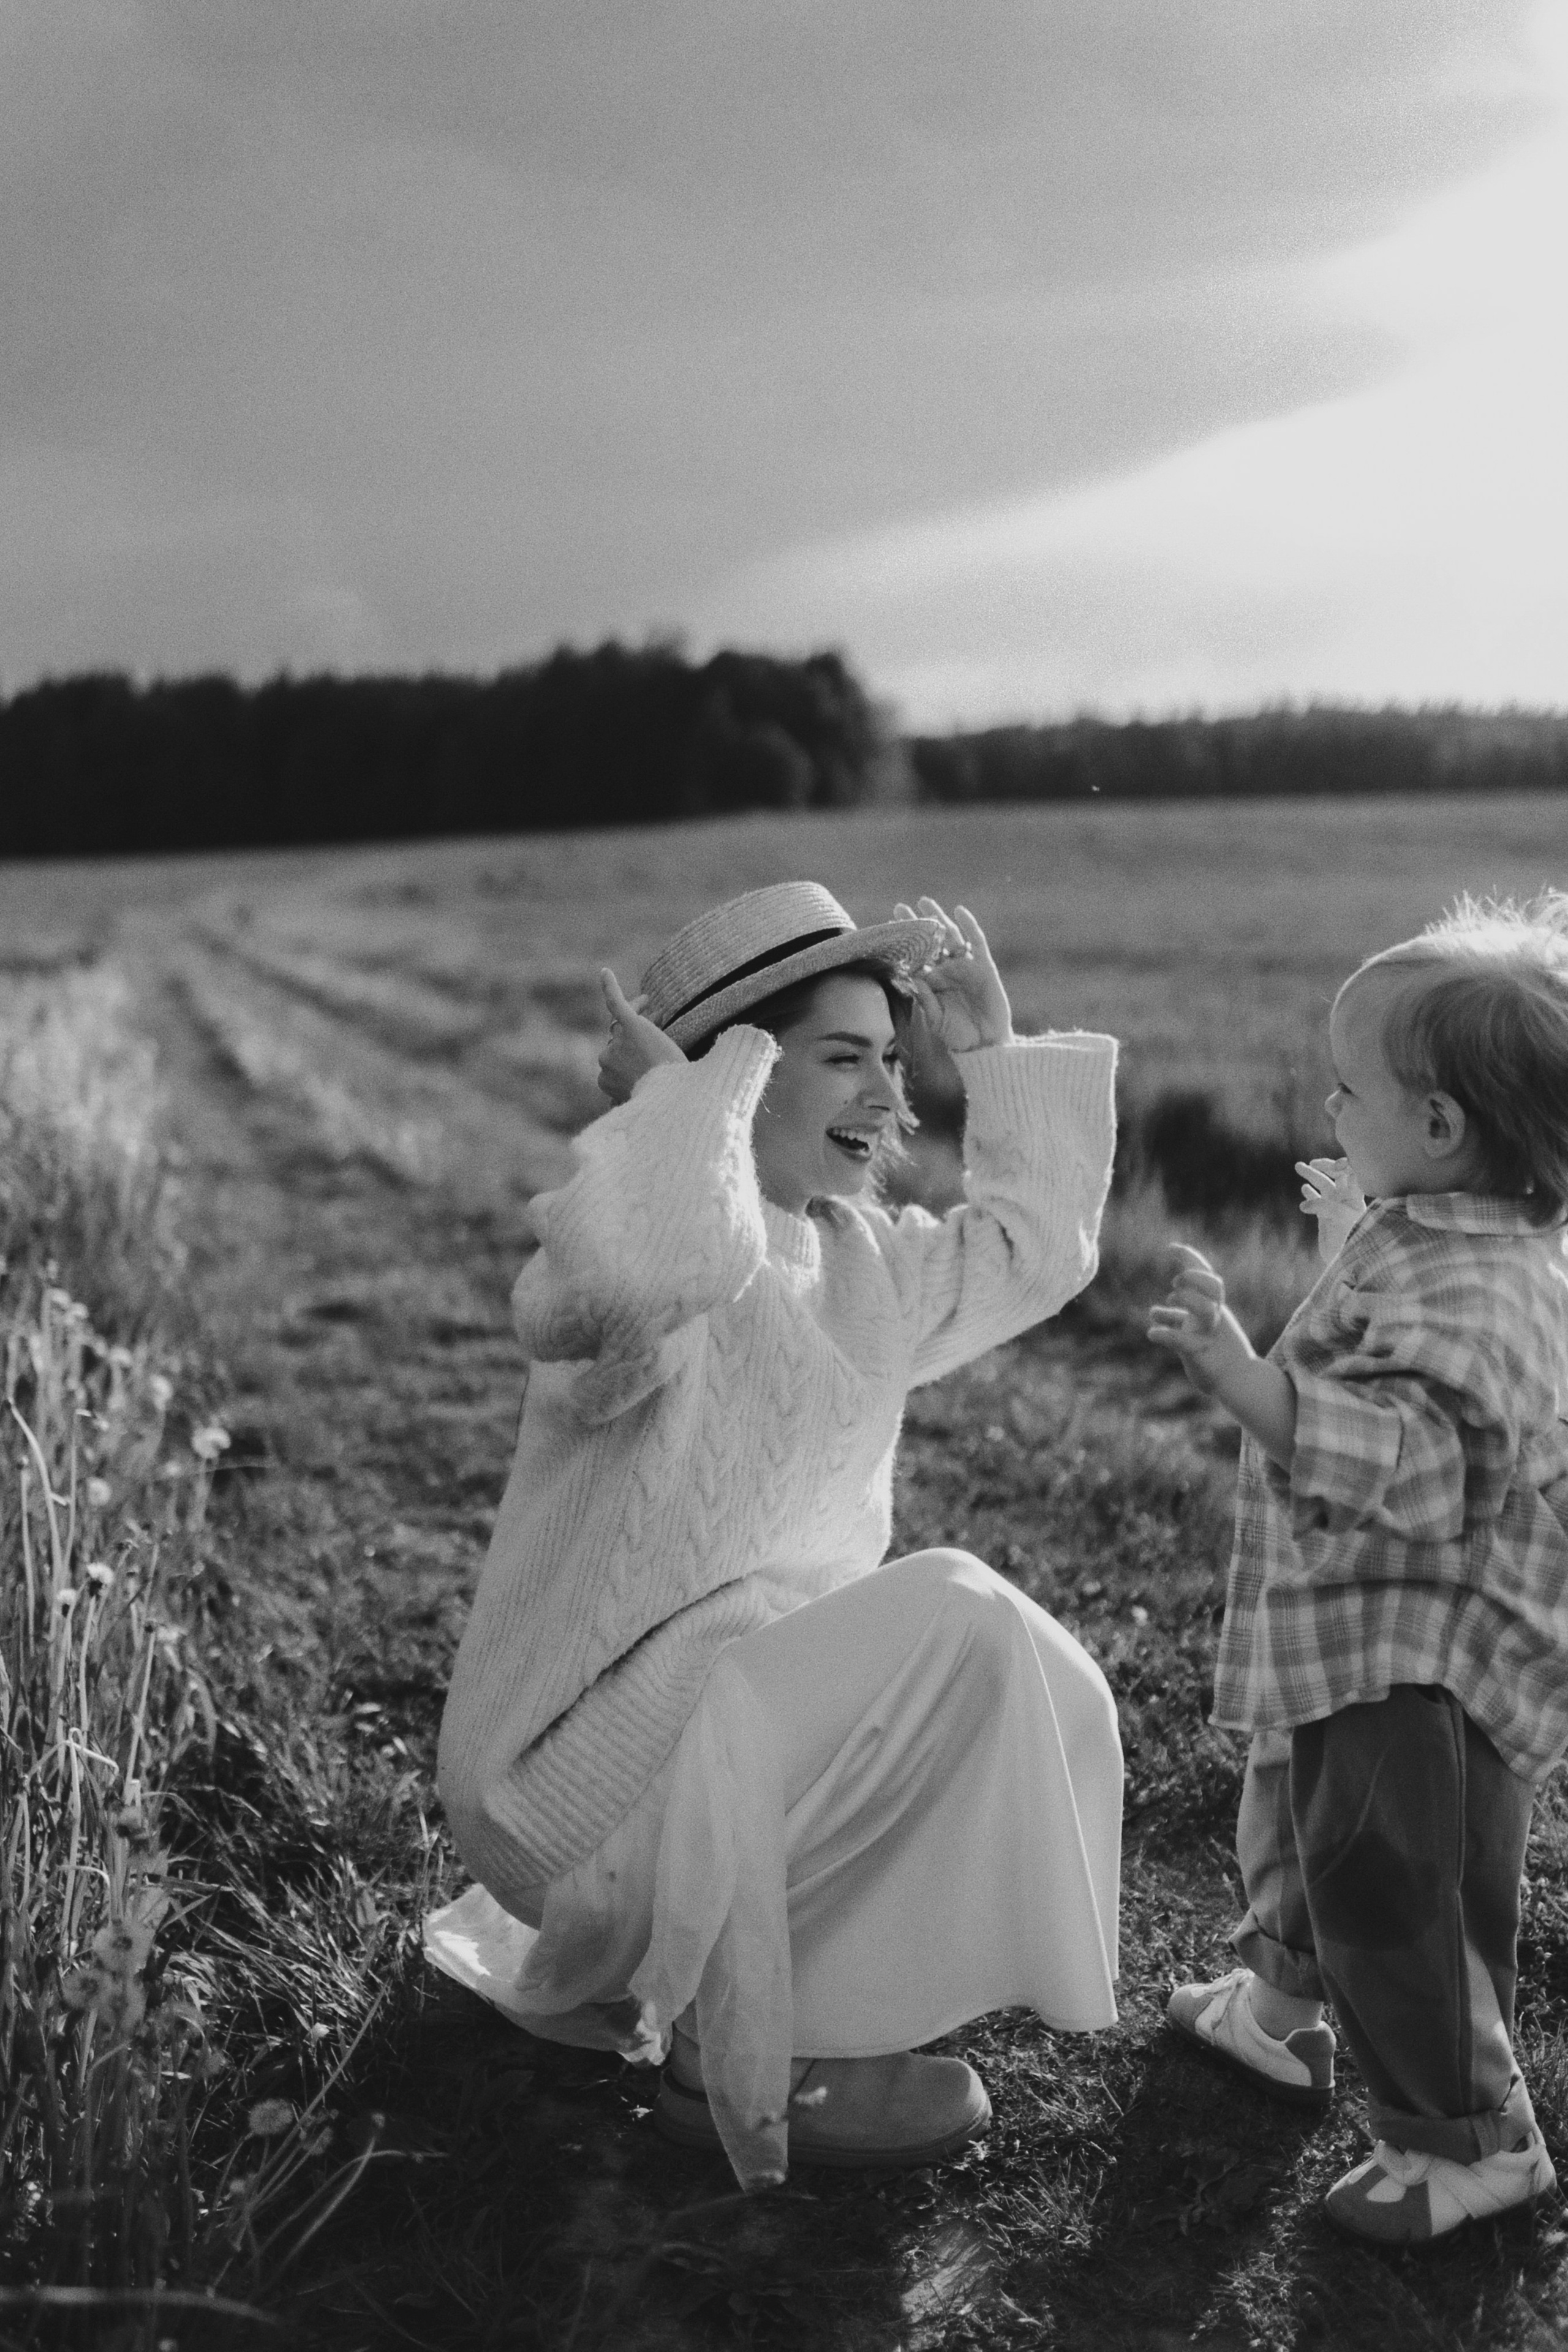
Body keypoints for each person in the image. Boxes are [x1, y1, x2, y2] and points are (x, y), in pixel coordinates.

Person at [429, 879, 1123, 2188]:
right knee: (960, 1615)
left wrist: (990, 1045)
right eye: (839, 1059)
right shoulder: (642, 1259)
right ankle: (750, 2051)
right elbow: (655, 1268)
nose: (883, 1094)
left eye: (890, 1059)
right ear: (733, 1081)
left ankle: (804, 1995)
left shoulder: (861, 1260)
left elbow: (1041, 1250)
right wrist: (679, 1100)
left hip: (734, 1731)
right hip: (579, 1791)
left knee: (1047, 1671)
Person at [1148, 891, 1568, 2244]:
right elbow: (1381, 1301)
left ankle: (1470, 2140)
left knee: (1397, 1882)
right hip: (1351, 1622)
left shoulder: (1489, 1292)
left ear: (1439, 1126)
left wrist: (1240, 1379)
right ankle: (1277, 2007)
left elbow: (1408, 1457)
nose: (1326, 1111)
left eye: (1346, 1093)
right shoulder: (1440, 1225)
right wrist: (1345, 1231)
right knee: (1299, 1809)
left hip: (1425, 1659)